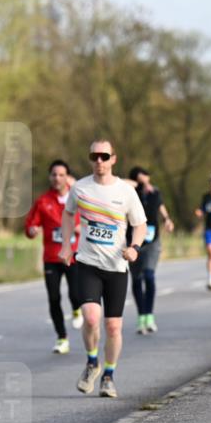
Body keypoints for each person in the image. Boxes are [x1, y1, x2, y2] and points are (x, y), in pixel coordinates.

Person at [59, 139, 146, 398]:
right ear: (90, 159)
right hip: (88, 263)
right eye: (95, 156)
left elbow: (140, 223)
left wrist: (135, 247)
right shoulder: (80, 188)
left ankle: (108, 375)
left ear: (113, 159)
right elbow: (67, 214)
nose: (99, 161)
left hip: (117, 268)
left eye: (104, 156)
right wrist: (66, 245)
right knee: (91, 318)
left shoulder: (126, 191)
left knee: (113, 327)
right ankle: (91, 361)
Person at [24, 159, 81, 354]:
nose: (57, 178)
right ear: (50, 177)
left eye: (61, 175)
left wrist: (80, 228)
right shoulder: (43, 201)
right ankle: (62, 337)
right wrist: (32, 230)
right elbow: (31, 225)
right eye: (54, 175)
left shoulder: (78, 199)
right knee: (54, 298)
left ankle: (76, 309)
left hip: (73, 256)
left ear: (68, 178)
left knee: (76, 293)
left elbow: (91, 220)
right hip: (52, 258)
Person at [128, 166, 173, 334]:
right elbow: (120, 183)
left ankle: (149, 316)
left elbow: (161, 206)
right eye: (142, 178)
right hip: (133, 242)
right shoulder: (129, 192)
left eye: (147, 176)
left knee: (149, 275)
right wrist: (137, 184)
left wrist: (167, 220)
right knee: (137, 278)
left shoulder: (155, 192)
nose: (146, 181)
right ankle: (141, 317)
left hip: (153, 241)